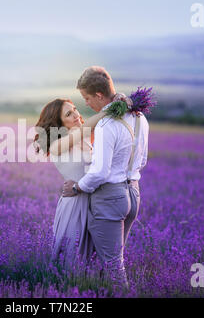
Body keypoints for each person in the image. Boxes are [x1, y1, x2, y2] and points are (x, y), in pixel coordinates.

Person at [62, 66, 149, 291]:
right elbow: (143, 161)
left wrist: (77, 188)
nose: (87, 104)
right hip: (133, 194)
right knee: (108, 263)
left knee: (113, 269)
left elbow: (100, 172)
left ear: (99, 95)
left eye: (87, 98)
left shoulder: (106, 125)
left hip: (110, 197)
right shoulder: (140, 118)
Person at [33, 95, 129, 268]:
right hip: (75, 205)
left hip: (95, 202)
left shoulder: (86, 139)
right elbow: (88, 126)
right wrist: (111, 107)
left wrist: (120, 102)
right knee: (71, 262)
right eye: (69, 114)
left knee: (95, 261)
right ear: (59, 124)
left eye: (75, 109)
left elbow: (106, 127)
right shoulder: (57, 145)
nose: (76, 114)